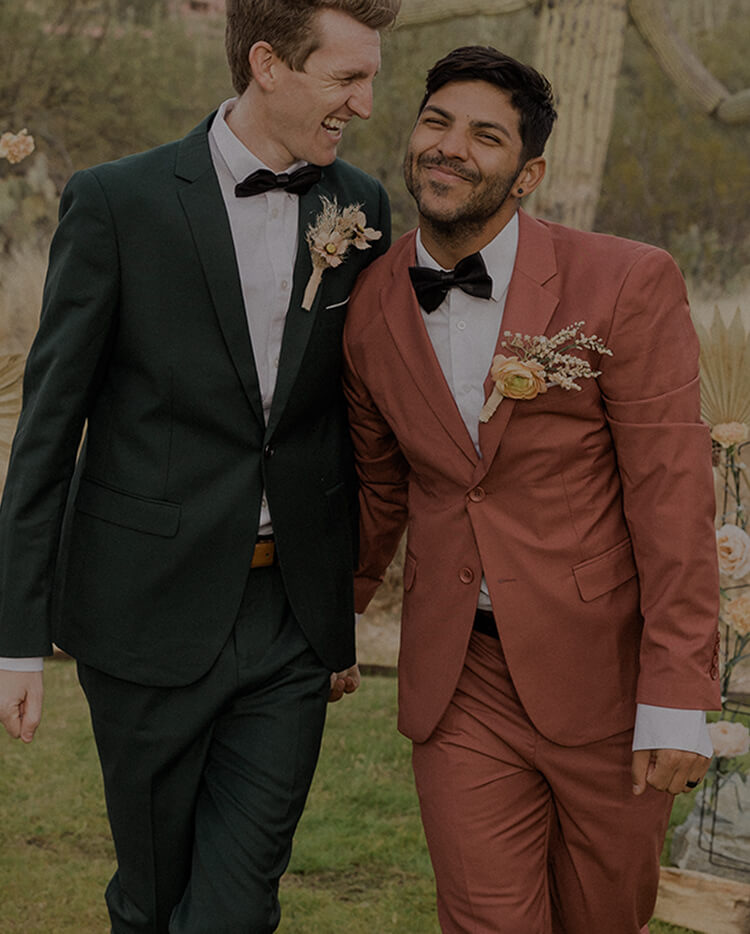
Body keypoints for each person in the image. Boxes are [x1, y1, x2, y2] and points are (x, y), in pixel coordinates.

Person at [0, 1, 399, 931]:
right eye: (347, 77)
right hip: (142, 613)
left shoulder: (361, 207)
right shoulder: (116, 201)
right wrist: (17, 637)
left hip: (289, 625)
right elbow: (47, 430)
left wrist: (340, 600)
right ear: (268, 62)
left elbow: (349, 415)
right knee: (152, 898)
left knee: (235, 903)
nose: (368, 103)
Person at [342, 46, 721, 933]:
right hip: (458, 678)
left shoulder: (626, 281)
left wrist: (676, 693)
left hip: (608, 674)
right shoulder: (368, 303)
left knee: (602, 918)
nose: (449, 147)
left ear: (529, 173)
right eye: (436, 122)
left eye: (484, 135)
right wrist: (329, 621)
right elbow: (376, 492)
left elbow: (672, 497)